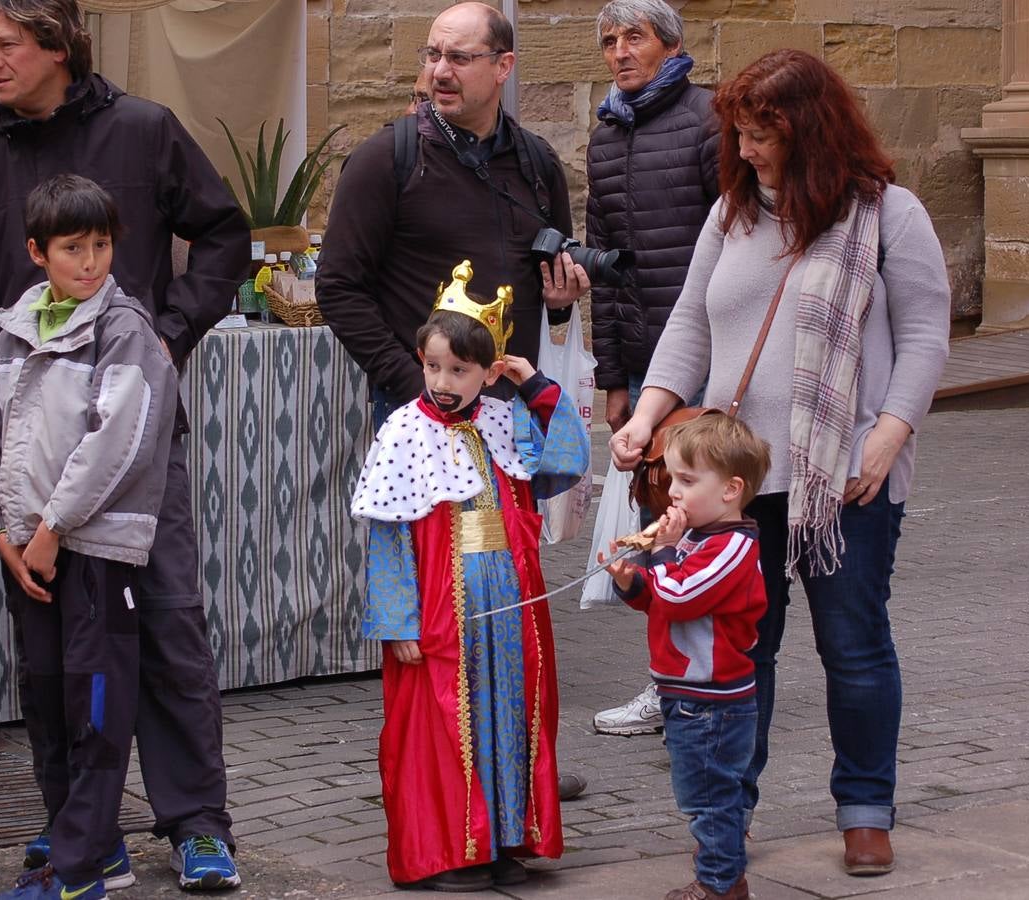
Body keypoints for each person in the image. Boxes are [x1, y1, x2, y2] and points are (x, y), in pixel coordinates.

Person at [0, 0, 248, 886]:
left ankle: (196, 822)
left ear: (58, 44)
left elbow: (222, 234)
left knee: (169, 629)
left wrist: (168, 337)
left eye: (6, 43)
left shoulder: (144, 130)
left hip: (135, 448)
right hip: (32, 463)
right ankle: (78, 823)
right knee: (52, 657)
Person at [609, 49, 950, 876]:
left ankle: (865, 809)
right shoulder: (730, 215)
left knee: (854, 645)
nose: (749, 148)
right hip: (732, 486)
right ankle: (731, 812)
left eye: (765, 134)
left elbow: (925, 338)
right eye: (742, 133)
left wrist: (888, 434)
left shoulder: (887, 214)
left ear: (813, 132)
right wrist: (647, 416)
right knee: (741, 652)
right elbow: (689, 325)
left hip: (846, 479)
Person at [351, 261, 590, 892]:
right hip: (440, 607)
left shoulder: (504, 419)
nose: (443, 381)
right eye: (434, 367)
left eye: (460, 370)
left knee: (508, 715)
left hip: (511, 606)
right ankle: (448, 852)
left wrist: (534, 383)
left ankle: (501, 837)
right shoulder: (404, 430)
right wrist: (397, 619)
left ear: (489, 371)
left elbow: (567, 459)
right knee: (440, 720)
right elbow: (387, 534)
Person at [0, 175, 178, 900]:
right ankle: (89, 844)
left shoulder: (123, 327)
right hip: (28, 555)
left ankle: (78, 869)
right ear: (37, 252)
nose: (89, 262)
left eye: (100, 245)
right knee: (49, 704)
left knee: (96, 709)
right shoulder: (15, 326)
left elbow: (117, 443)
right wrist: (2, 532)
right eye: (71, 249)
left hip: (93, 553)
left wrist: (53, 530)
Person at [317, 0, 589, 431]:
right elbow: (337, 287)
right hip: (420, 413)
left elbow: (549, 284)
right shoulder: (385, 159)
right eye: (433, 55)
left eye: (459, 58)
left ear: (504, 66)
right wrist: (416, 386)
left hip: (514, 409)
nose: (439, 72)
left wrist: (558, 304)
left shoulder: (538, 162)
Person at [585, 0, 721, 738]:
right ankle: (668, 683)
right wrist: (613, 381)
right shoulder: (605, 134)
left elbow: (733, 240)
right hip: (643, 371)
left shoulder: (706, 120)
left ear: (670, 45)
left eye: (632, 37)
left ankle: (708, 682)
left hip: (705, 364)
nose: (618, 52)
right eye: (608, 41)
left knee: (704, 528)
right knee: (656, 532)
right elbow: (602, 264)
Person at [604, 413, 769, 900]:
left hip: (713, 698)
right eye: (673, 478)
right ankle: (722, 870)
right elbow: (662, 599)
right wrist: (633, 585)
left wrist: (663, 551)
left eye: (688, 481)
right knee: (700, 793)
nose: (673, 492)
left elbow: (678, 596)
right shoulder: (698, 538)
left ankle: (720, 884)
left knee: (712, 798)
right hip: (686, 691)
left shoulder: (731, 546)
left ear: (730, 490)